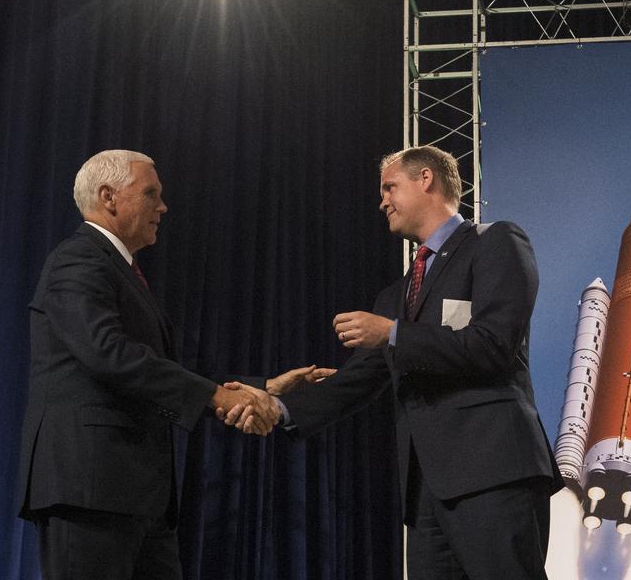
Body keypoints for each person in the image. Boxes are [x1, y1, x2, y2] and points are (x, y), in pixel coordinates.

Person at [235, 145, 561, 579]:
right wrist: (277, 406)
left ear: (426, 179)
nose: (382, 200)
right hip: (426, 493)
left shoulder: (496, 242)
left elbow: (492, 345)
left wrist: (392, 332)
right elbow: (358, 380)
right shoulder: (394, 297)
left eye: (390, 187)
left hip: (494, 473)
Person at [17, 149, 324, 580]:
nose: (162, 207)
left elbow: (156, 367)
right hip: (89, 490)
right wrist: (217, 395)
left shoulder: (118, 269)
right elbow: (110, 354)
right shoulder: (78, 259)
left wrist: (259, 386)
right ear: (108, 197)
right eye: (151, 194)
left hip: (137, 495)